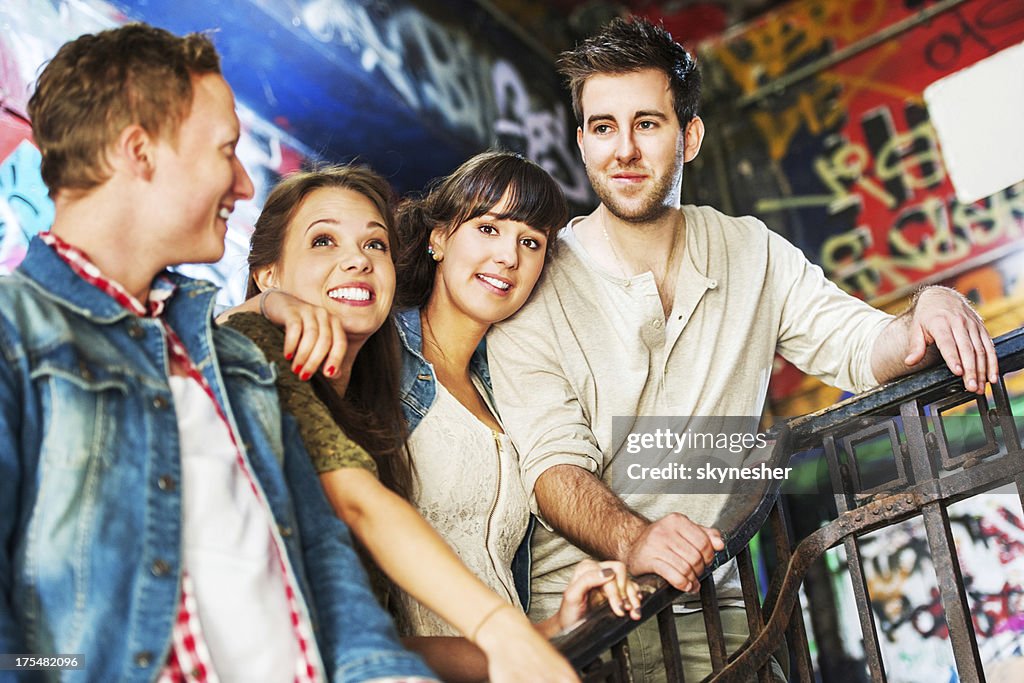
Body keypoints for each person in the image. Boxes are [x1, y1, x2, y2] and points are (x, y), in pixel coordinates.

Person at [484, 17, 999, 683]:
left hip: (718, 611)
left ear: (689, 135)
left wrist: (926, 307)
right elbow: (553, 469)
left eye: (648, 123)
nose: (624, 149)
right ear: (582, 143)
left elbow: (860, 342)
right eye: (603, 127)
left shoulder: (750, 250)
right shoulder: (538, 281)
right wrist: (636, 539)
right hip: (587, 622)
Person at [0, 24, 434, 682]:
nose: (241, 182)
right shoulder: (14, 333)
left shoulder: (230, 357)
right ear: (139, 152)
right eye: (227, 151)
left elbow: (330, 588)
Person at [221, 157, 641, 683]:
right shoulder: (375, 359)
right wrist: (266, 306)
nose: (508, 255)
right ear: (437, 239)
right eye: (488, 228)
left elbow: (383, 634)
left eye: (531, 242)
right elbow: (362, 510)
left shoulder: (510, 384)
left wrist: (547, 631)